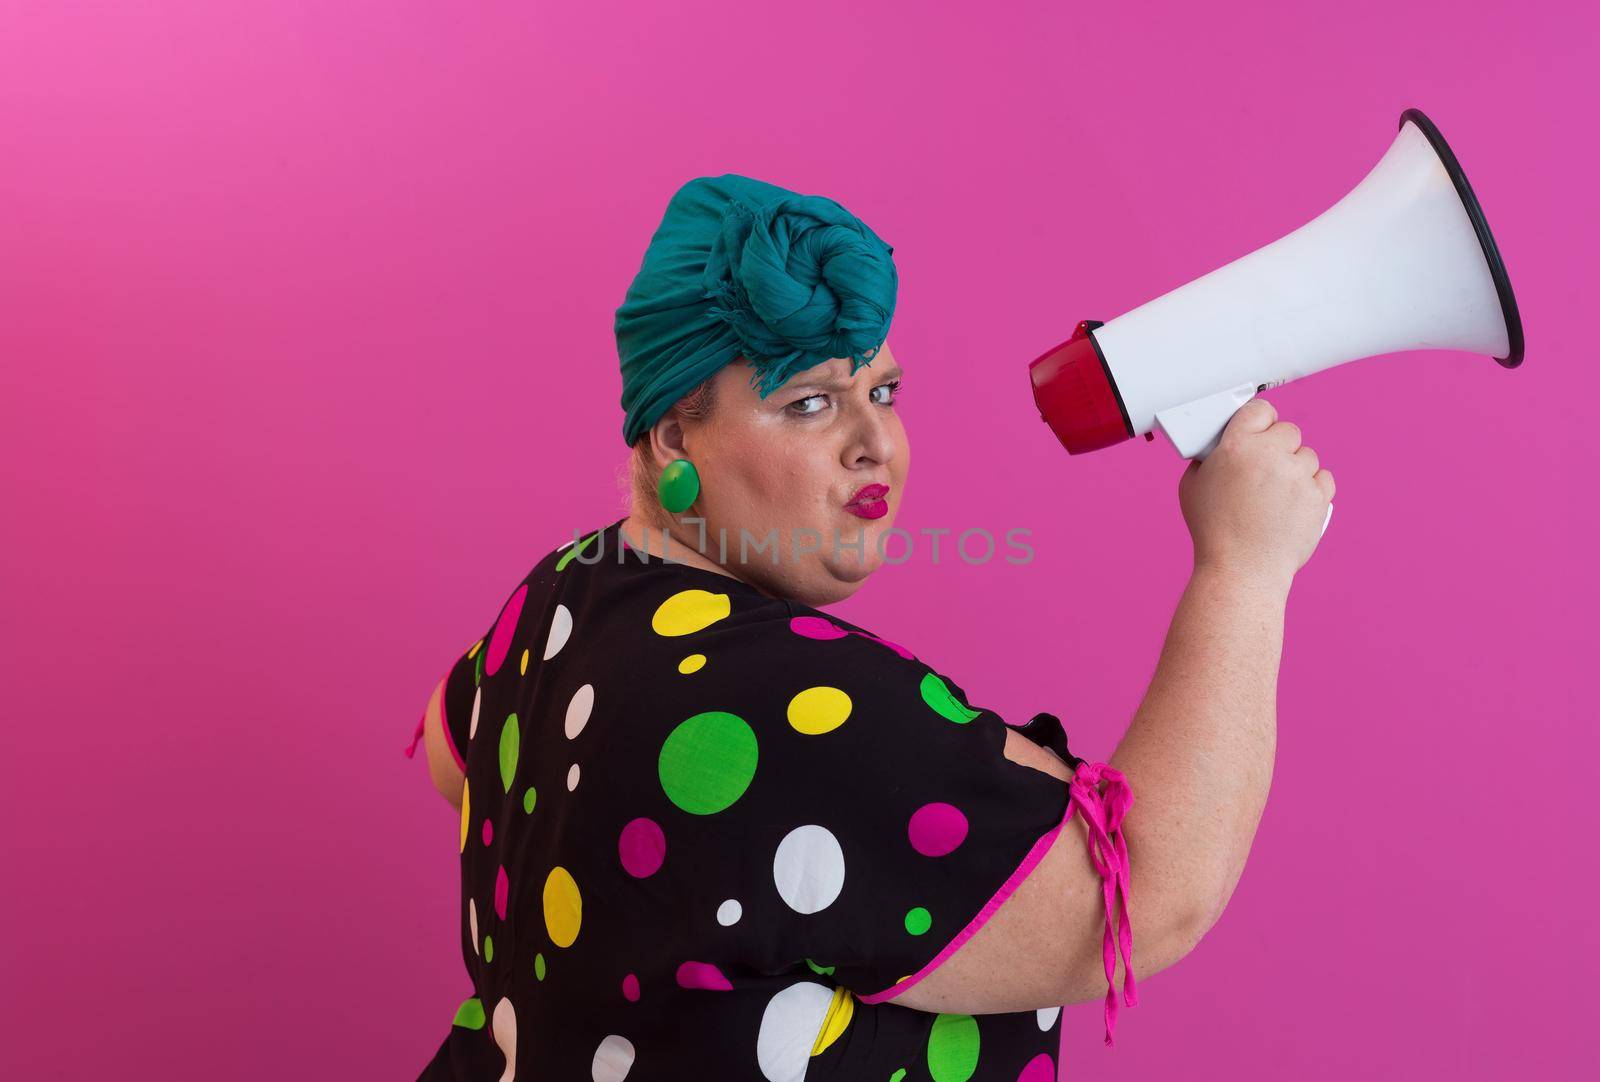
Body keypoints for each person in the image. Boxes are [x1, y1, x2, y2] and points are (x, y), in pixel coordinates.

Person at [403, 174, 1335, 1080]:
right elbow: (1148, 898)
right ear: (673, 437)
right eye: (809, 402)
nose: (873, 443)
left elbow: (456, 759)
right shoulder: (792, 705)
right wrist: (1243, 568)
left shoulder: (565, 589)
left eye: (882, 392)